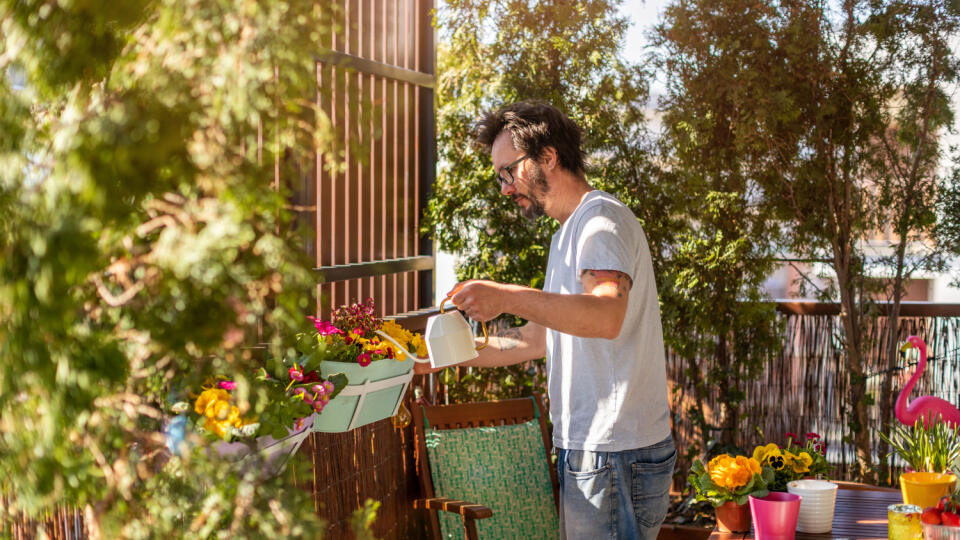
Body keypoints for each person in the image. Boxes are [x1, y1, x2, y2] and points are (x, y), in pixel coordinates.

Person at [417, 101, 675, 539]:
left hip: (612, 453)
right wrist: (440, 357)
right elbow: (536, 341)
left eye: (508, 172)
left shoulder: (600, 222)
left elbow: (606, 314)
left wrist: (507, 296)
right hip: (595, 452)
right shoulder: (568, 234)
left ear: (548, 157)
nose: (504, 188)